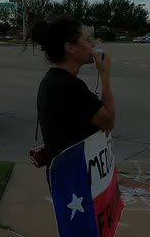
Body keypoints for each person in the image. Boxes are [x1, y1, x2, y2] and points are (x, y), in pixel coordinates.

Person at [31, 15, 116, 181]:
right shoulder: (67, 86)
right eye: (87, 39)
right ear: (70, 48)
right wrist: (105, 74)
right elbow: (108, 121)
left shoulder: (54, 81)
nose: (93, 44)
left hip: (70, 176)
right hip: (76, 182)